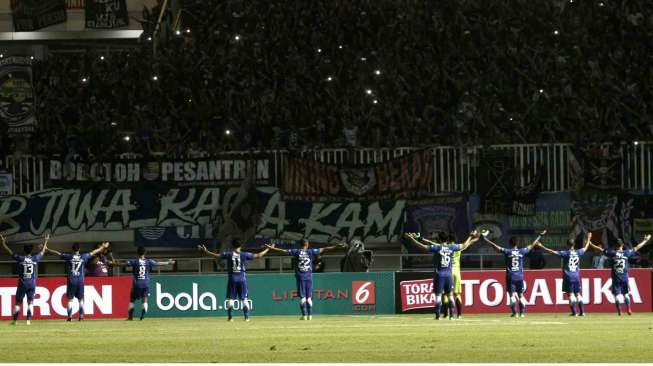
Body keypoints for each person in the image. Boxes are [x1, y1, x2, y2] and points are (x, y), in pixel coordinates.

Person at [404, 230, 479, 320]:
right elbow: (464, 245)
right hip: (449, 274)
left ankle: (438, 315)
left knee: (438, 295)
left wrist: (411, 239)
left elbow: (422, 246)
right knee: (451, 295)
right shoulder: (452, 247)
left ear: (438, 239)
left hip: (440, 274)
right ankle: (452, 315)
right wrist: (471, 236)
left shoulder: (437, 247)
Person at [265, 239, 343, 320]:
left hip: (300, 277)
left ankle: (304, 315)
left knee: (302, 297)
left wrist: (272, 248)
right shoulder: (311, 251)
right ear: (307, 244)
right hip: (309, 277)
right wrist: (336, 246)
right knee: (309, 297)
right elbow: (325, 249)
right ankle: (310, 315)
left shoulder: (296, 251)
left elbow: (283, 251)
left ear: (300, 244)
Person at [197, 239, 272, 321]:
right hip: (242, 279)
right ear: (241, 246)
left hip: (232, 279)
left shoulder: (228, 254)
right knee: (244, 299)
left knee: (231, 299)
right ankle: (246, 317)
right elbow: (259, 255)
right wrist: (268, 249)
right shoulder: (245, 254)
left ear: (232, 246)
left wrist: (206, 251)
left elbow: (217, 256)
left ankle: (230, 317)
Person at [482, 230, 543, 318]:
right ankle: (522, 313)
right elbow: (533, 244)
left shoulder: (507, 251)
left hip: (510, 276)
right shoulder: (522, 251)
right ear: (517, 244)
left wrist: (486, 239)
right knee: (521, 295)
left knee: (511, 294)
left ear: (510, 244)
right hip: (520, 277)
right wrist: (540, 235)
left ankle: (515, 313)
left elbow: (495, 246)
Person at [45, 241, 110, 321]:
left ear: (72, 249)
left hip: (71, 280)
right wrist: (102, 247)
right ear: (79, 249)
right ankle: (81, 317)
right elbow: (94, 252)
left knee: (70, 300)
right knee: (81, 299)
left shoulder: (69, 257)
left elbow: (58, 253)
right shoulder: (83, 256)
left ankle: (69, 317)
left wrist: (48, 250)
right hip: (80, 281)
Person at [590, 234, 652, 316]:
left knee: (616, 295)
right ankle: (629, 309)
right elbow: (637, 247)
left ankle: (619, 311)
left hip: (616, 277)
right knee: (625, 294)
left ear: (615, 246)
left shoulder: (612, 253)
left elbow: (600, 249)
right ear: (622, 245)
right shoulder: (626, 253)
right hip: (624, 277)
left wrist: (591, 244)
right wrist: (645, 240)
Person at [536, 233, 593, 316]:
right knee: (577, 294)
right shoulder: (578, 252)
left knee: (570, 294)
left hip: (568, 276)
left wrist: (541, 246)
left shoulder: (566, 253)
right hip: (576, 276)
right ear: (574, 244)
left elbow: (552, 252)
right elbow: (586, 247)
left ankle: (574, 313)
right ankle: (582, 312)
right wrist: (588, 238)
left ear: (567, 245)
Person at [0, 233, 49, 325]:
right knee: (30, 302)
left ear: (24, 250)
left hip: (22, 284)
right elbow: (42, 252)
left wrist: (3, 243)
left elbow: (9, 252)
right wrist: (46, 240)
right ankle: (28, 320)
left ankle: (15, 320)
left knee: (18, 302)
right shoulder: (35, 258)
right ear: (31, 251)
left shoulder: (20, 258)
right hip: (31, 284)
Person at [116, 247, 175, 320]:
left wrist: (114, 264)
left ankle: (130, 317)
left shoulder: (134, 261)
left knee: (132, 300)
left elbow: (124, 264)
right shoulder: (148, 261)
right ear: (145, 253)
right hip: (145, 283)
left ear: (137, 253)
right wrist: (168, 262)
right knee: (145, 300)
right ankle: (143, 315)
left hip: (137, 283)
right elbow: (158, 263)